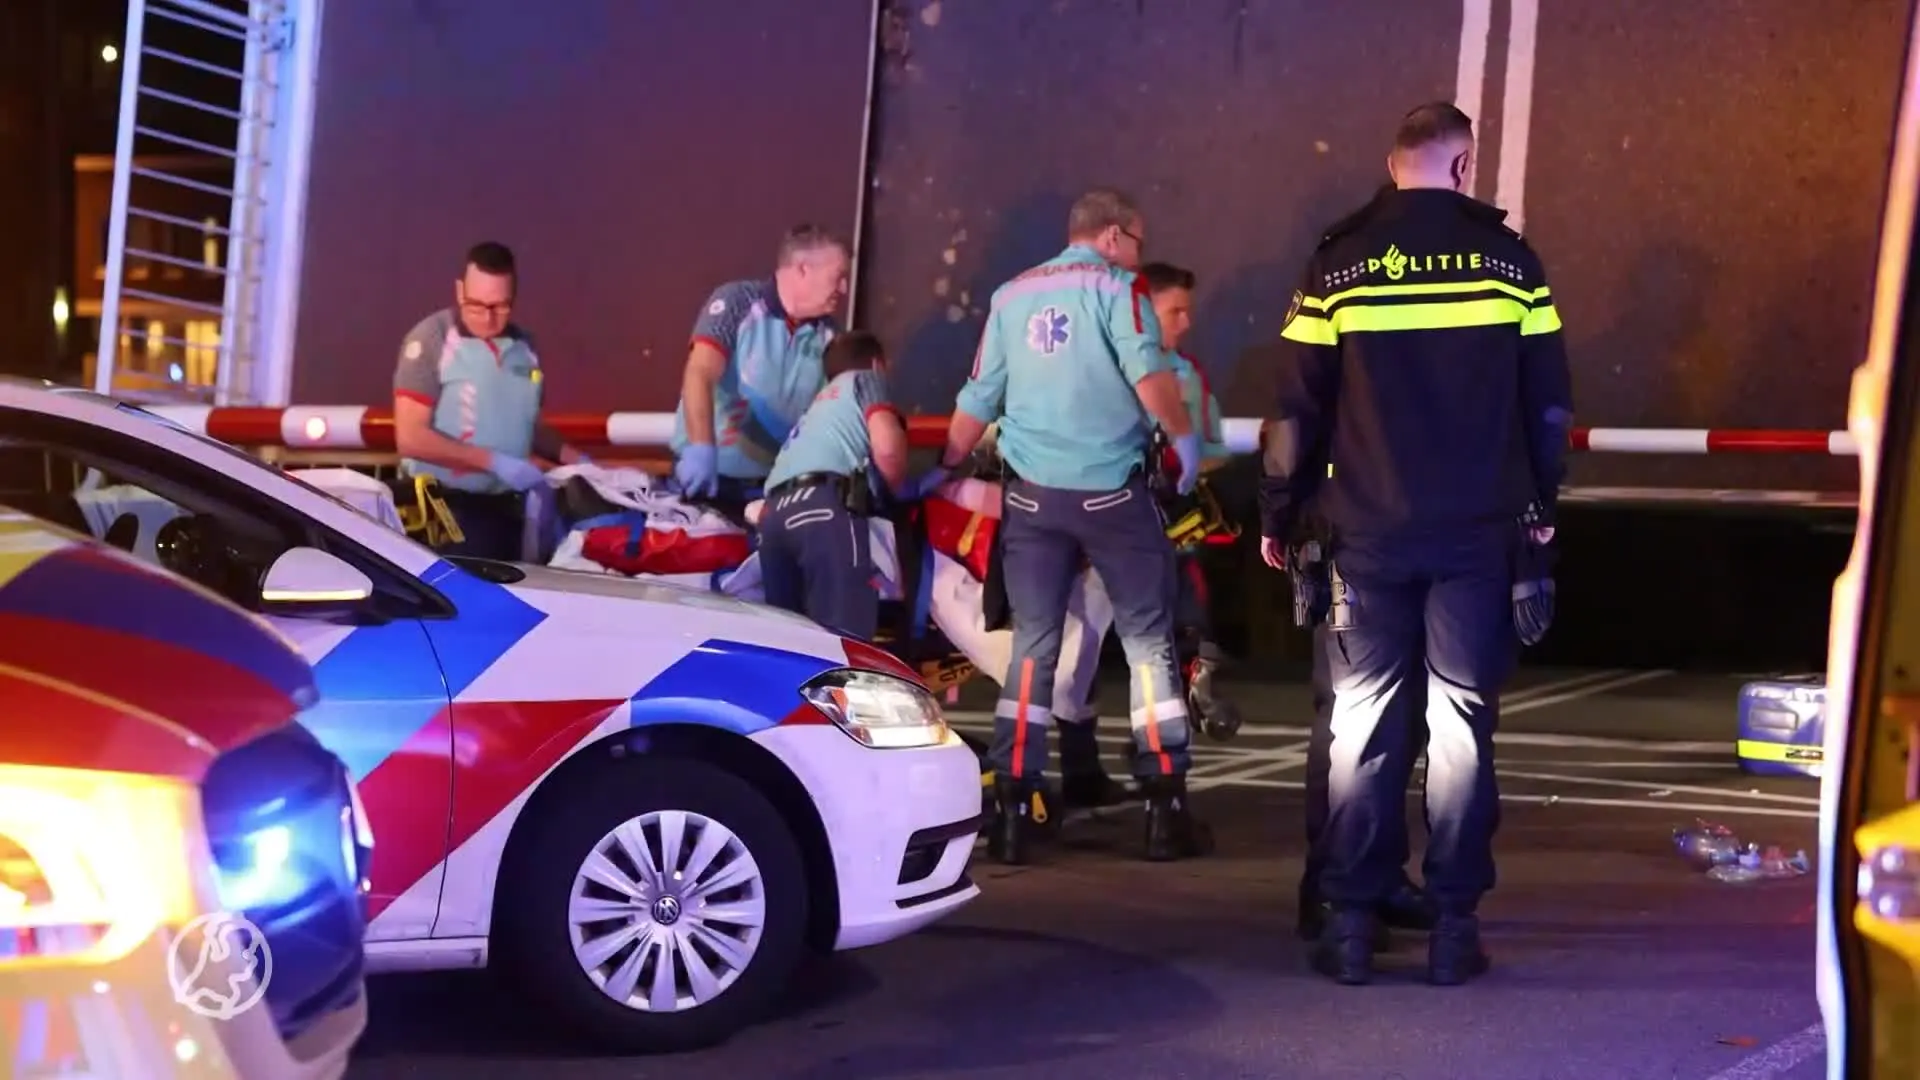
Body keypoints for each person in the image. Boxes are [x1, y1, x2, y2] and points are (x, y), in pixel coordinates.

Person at [1257, 102, 1572, 986]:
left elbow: (1294, 409)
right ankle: (1453, 929)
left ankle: (1351, 927)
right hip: (1478, 532)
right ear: (1464, 166)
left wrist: (1279, 512)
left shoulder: (1338, 262)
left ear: (1393, 163)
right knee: (1461, 724)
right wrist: (1543, 501)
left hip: (1363, 533)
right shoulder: (1510, 262)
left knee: (1361, 725)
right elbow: (1548, 401)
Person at [927, 187, 1207, 865]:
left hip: (1031, 502)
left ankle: (1015, 807)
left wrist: (944, 466)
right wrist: (1184, 439)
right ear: (1112, 236)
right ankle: (1164, 804)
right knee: (1148, 643)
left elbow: (978, 398)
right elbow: (1148, 375)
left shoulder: (1011, 295)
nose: (1138, 255)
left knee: (1033, 650)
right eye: (1136, 242)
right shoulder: (1120, 289)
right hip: (1113, 495)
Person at [393, 242, 586, 561]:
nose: (487, 317)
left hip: (510, 508)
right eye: (476, 305)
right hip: (446, 509)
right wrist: (492, 462)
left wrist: (578, 461)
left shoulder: (525, 348)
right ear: (460, 291)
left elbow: (527, 426)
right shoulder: (432, 339)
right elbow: (411, 437)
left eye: (500, 306)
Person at [1137, 262, 1242, 742]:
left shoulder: (1189, 374)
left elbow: (1212, 446)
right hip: (1114, 527)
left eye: (1188, 311)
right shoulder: (1104, 370)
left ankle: (1172, 732)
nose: (1186, 322)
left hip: (1175, 530)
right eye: (1174, 312)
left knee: (1184, 622)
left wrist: (1267, 438)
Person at [672, 225, 849, 508]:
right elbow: (700, 373)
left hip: (776, 491)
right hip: (709, 482)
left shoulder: (831, 336)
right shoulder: (736, 303)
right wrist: (701, 448)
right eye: (838, 277)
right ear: (803, 269)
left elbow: (833, 416)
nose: (844, 289)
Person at [758, 331, 910, 639]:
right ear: (876, 364)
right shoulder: (866, 380)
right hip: (823, 507)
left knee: (786, 641)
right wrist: (893, 495)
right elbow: (888, 450)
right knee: (842, 638)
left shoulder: (818, 405)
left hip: (772, 516)